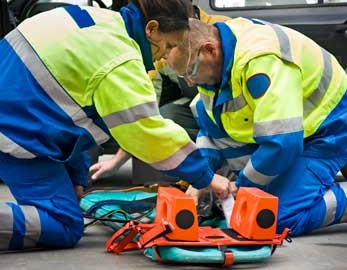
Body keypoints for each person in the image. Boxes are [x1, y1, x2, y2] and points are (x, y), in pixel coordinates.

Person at [0, 0, 231, 252]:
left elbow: (68, 112)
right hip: (13, 131)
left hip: (20, 118)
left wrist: (76, 176)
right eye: (168, 45)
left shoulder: (91, 18)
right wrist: (206, 177)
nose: (165, 56)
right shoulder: (119, 59)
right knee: (64, 225)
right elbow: (146, 132)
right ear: (151, 29)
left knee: (66, 203)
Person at [167, 18, 347, 236]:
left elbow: (283, 141)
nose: (189, 82)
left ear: (209, 50)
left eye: (190, 71)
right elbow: (211, 129)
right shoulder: (216, 65)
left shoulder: (261, 60)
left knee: (273, 219)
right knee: (255, 205)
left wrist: (243, 185)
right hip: (296, 130)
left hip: (330, 127)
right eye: (182, 76)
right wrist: (201, 180)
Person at [89, 6, 231, 182]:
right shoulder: (163, 48)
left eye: (172, 46)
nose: (190, 81)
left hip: (231, 103)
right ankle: (156, 187)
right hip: (198, 105)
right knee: (165, 116)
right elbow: (142, 112)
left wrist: (206, 178)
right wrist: (117, 161)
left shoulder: (221, 29)